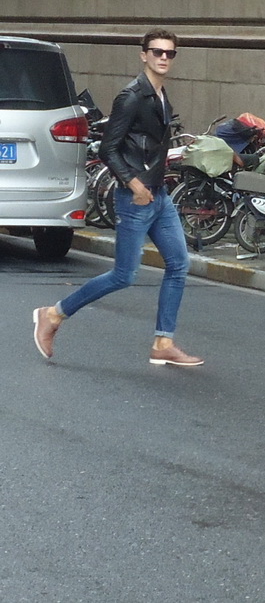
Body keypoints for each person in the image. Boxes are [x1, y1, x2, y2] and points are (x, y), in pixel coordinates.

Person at [33, 28, 203, 367]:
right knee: (124, 275)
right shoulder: (131, 97)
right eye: (157, 52)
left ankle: (163, 342)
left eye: (169, 53)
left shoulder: (160, 94)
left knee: (179, 264)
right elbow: (107, 149)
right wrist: (134, 184)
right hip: (136, 198)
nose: (163, 58)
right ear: (144, 55)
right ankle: (53, 315)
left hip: (159, 196)